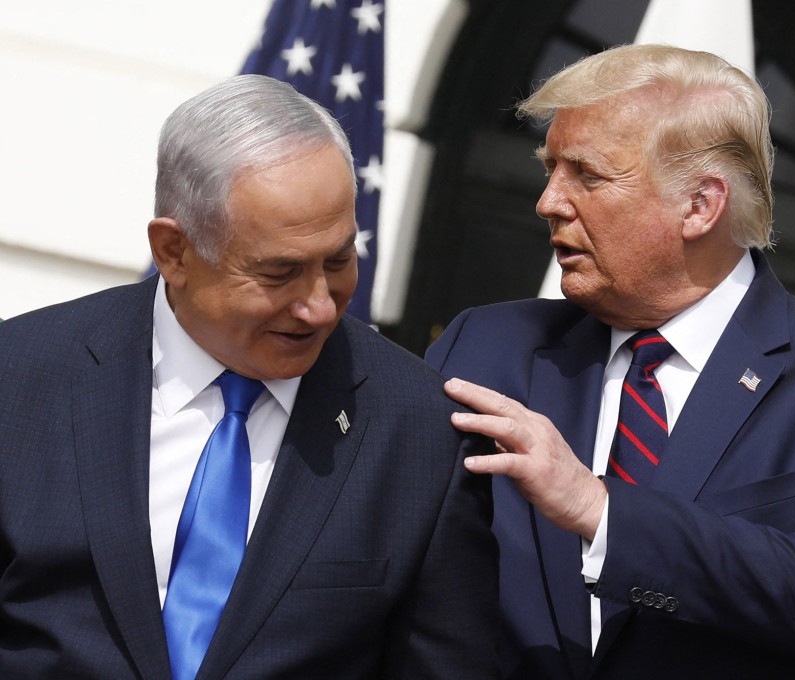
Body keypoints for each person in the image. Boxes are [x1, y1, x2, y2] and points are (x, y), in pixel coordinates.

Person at [426, 44, 795, 679]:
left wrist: (597, 510)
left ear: (700, 206)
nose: (549, 201)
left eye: (586, 175)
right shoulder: (486, 349)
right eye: (550, 168)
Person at [0, 74, 499, 679]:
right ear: (175, 252)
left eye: (338, 260)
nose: (318, 307)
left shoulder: (422, 436)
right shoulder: (19, 380)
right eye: (279, 272)